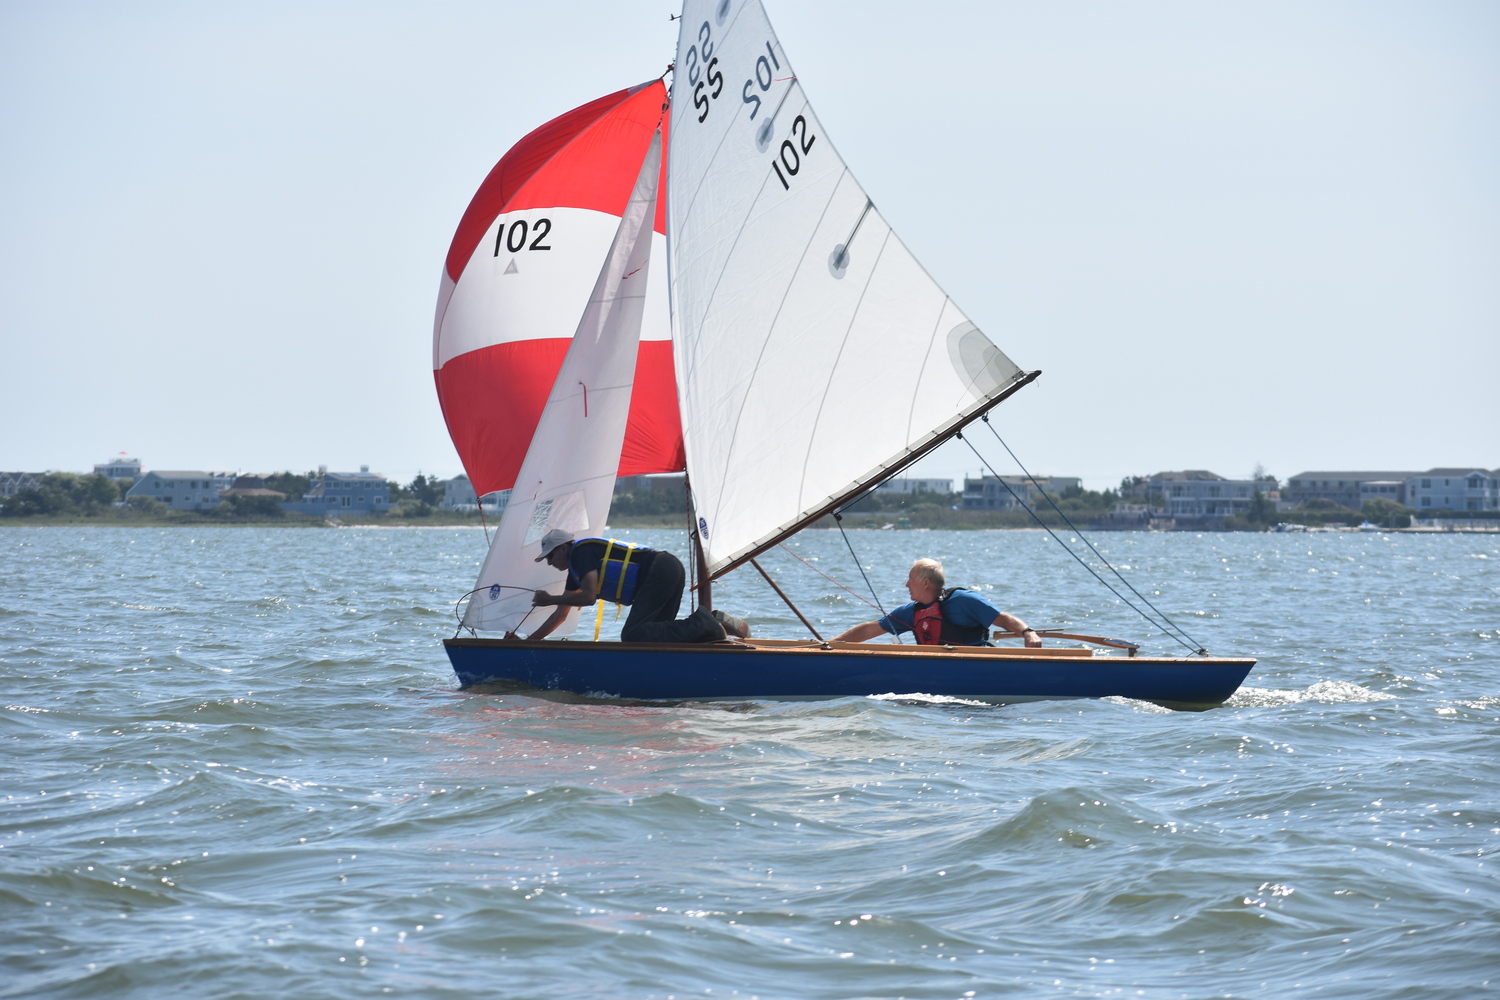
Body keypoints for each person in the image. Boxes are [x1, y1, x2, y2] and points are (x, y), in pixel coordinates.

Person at [516, 529, 750, 643]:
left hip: (660, 570)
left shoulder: (581, 553)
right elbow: (560, 616)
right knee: (658, 639)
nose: (549, 562)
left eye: (551, 556)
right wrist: (529, 644)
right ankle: (715, 621)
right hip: (668, 567)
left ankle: (702, 622)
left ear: (565, 547)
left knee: (632, 635)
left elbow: (588, 597)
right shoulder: (576, 572)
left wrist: (550, 598)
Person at [831, 558, 1043, 647]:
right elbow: (870, 630)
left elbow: (1003, 619)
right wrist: (832, 645)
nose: (906, 585)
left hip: (975, 665)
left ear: (925, 583)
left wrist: (1028, 632)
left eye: (910, 580)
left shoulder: (965, 600)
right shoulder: (910, 613)